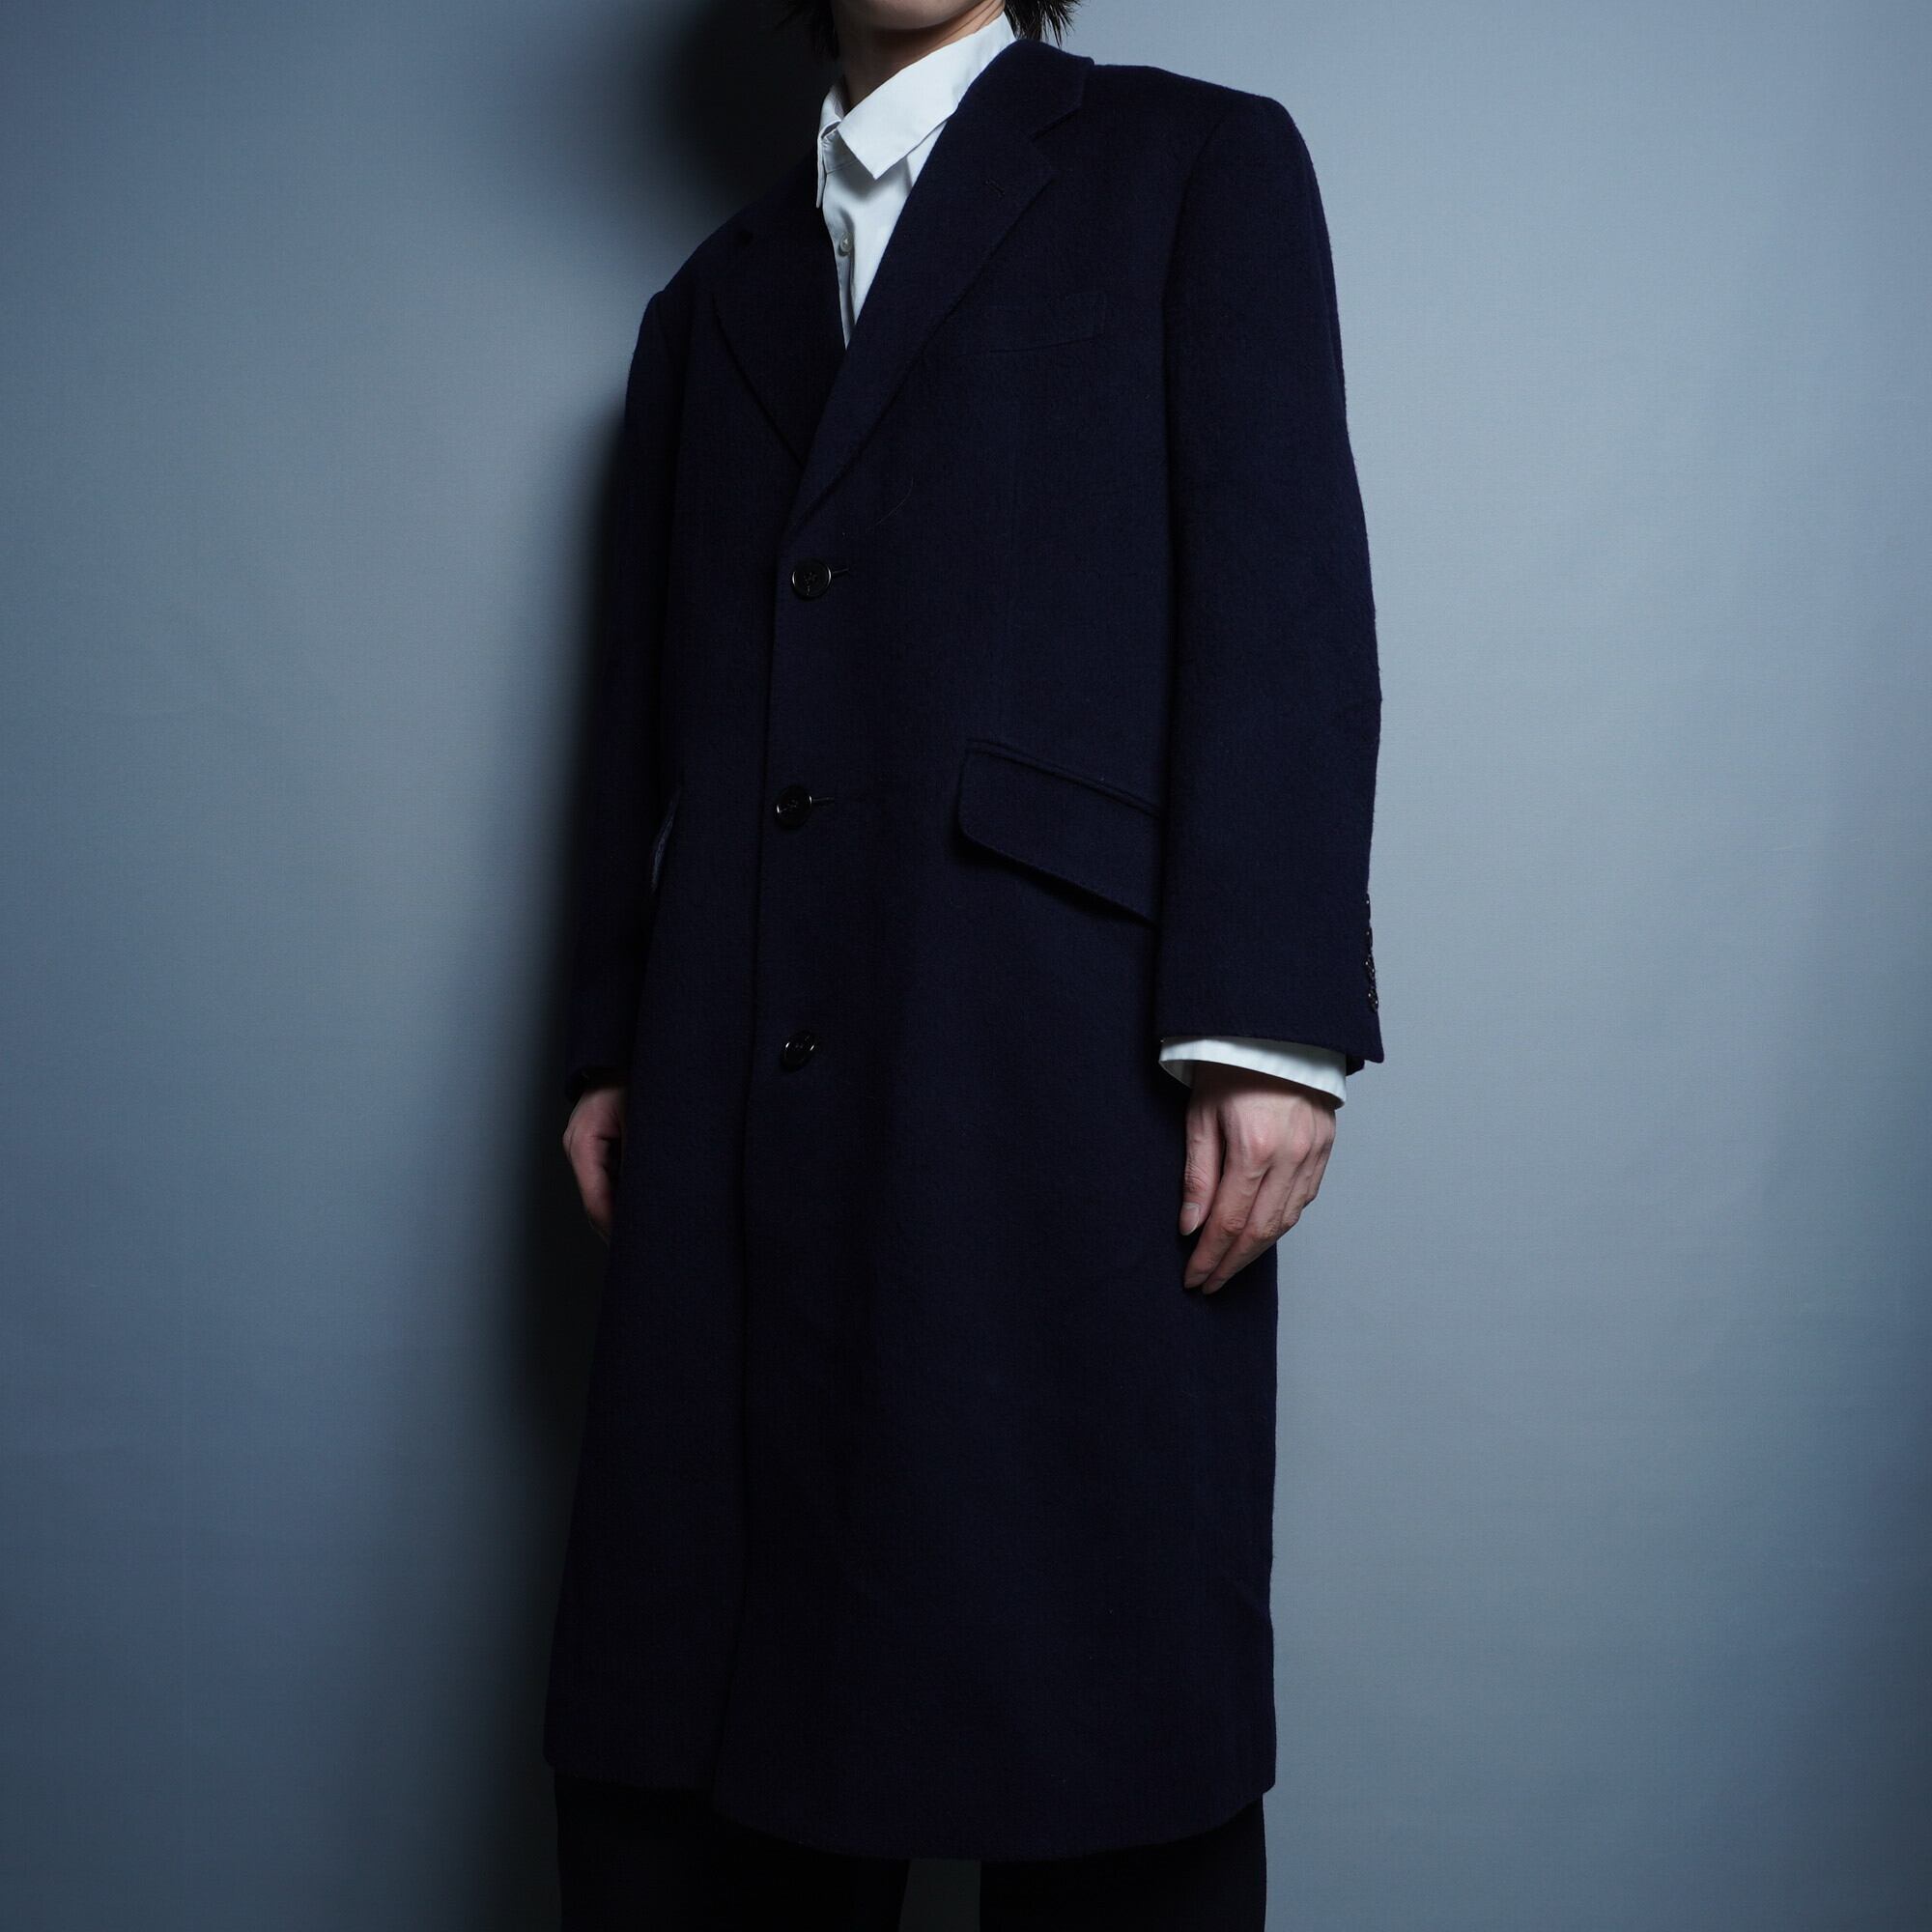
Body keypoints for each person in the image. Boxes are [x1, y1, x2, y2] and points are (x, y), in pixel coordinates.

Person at [546, 1, 1384, 1922]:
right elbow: (635, 708)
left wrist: (1268, 1021)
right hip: (732, 1054)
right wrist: (610, 1035)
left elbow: (1283, 583)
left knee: (1098, 1701)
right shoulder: (709, 302)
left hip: (1059, 1053)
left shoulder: (1195, 165)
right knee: (706, 1713)